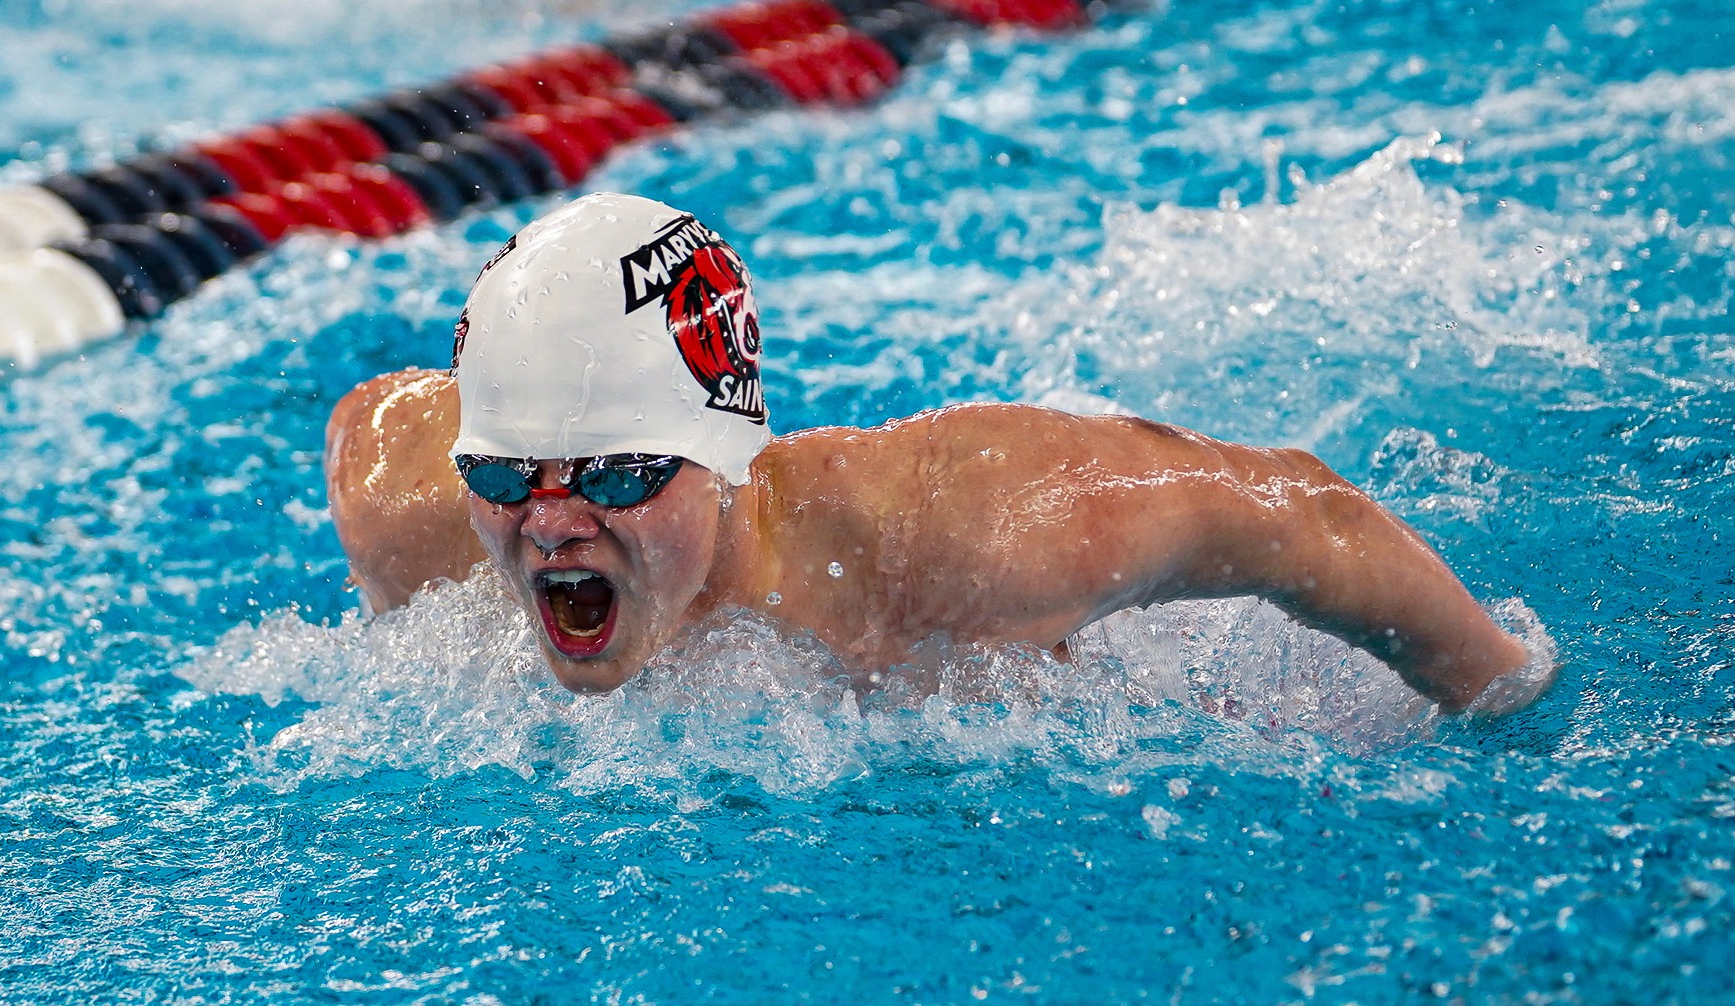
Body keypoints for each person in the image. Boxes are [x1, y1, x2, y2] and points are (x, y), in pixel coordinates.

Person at [325, 192, 1536, 713]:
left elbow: (1303, 512)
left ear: (725, 455)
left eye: (620, 474)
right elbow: (374, 417)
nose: (548, 522)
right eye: (505, 473)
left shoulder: (961, 535)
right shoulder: (402, 495)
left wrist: (1504, 707)